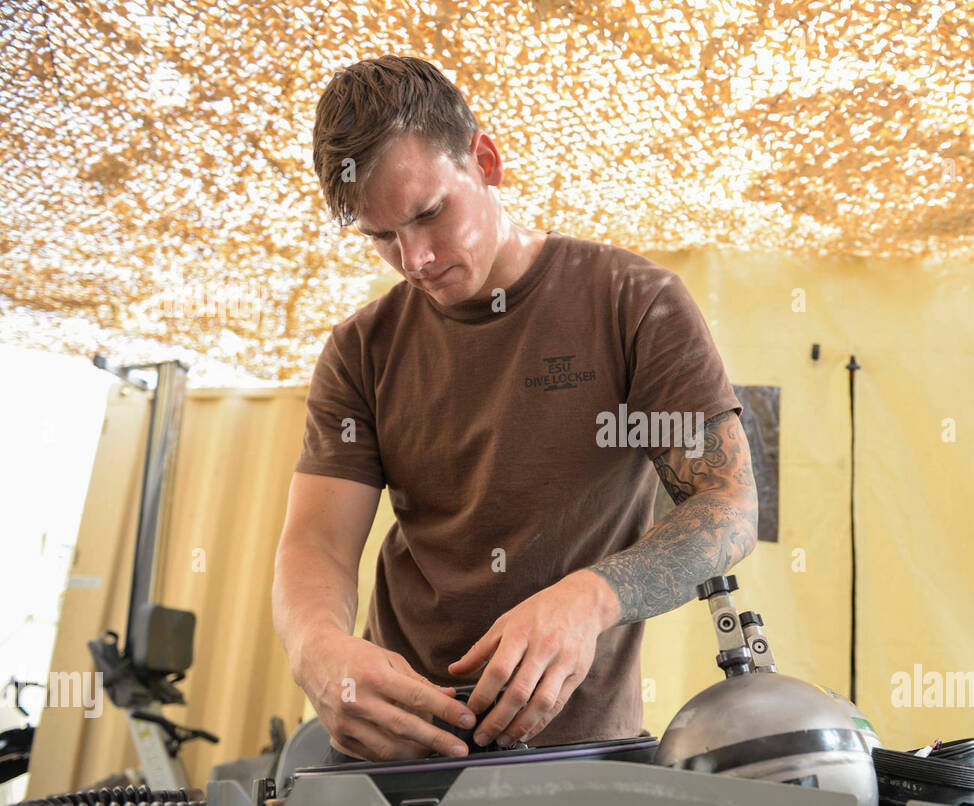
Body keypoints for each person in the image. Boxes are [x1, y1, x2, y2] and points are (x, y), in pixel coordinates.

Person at [272, 55, 757, 764]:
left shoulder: (632, 303)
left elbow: (729, 506)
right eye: (382, 237)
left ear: (485, 161)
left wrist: (591, 597)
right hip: (398, 756)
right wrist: (316, 647)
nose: (416, 258)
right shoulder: (360, 350)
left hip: (583, 756)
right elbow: (315, 543)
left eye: (429, 213)